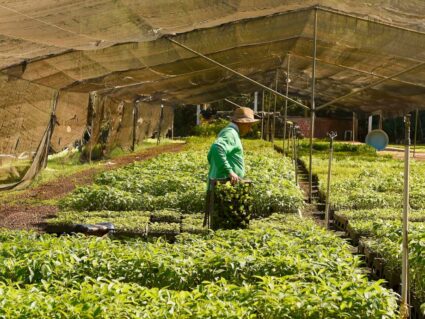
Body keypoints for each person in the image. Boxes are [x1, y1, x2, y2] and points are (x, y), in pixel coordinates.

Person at [207, 107, 259, 187]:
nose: (250, 129)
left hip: (223, 184)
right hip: (223, 185)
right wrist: (229, 171)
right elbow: (216, 148)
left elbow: (210, 155)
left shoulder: (228, 132)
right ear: (242, 123)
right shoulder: (231, 134)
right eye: (249, 125)